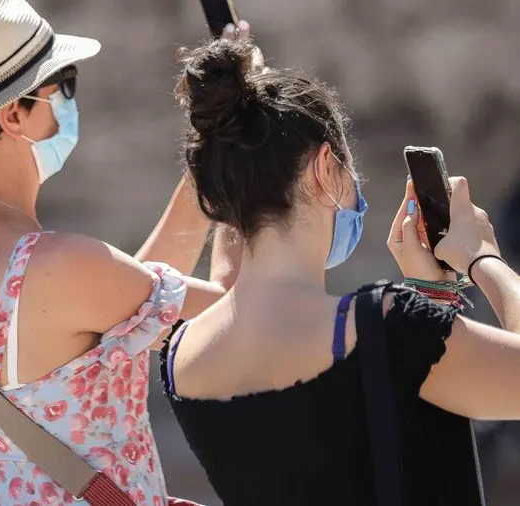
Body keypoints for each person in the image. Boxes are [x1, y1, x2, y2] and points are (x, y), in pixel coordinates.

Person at [0, 1, 235, 504]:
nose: (72, 101)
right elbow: (235, 311)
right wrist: (248, 154)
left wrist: (215, 145)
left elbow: (126, 297)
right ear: (13, 113)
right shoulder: (62, 265)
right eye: (62, 84)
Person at [159, 35, 520, 505]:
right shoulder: (382, 326)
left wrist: (430, 297)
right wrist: (483, 258)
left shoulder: (180, 356)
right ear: (326, 167)